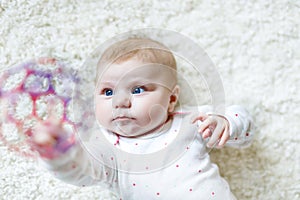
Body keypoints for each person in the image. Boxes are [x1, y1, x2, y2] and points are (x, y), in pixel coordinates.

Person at [31, 38, 254, 199]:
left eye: (137, 90)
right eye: (108, 92)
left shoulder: (190, 121)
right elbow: (80, 169)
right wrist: (56, 150)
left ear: (171, 98)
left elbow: (245, 126)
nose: (120, 102)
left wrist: (225, 123)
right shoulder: (108, 148)